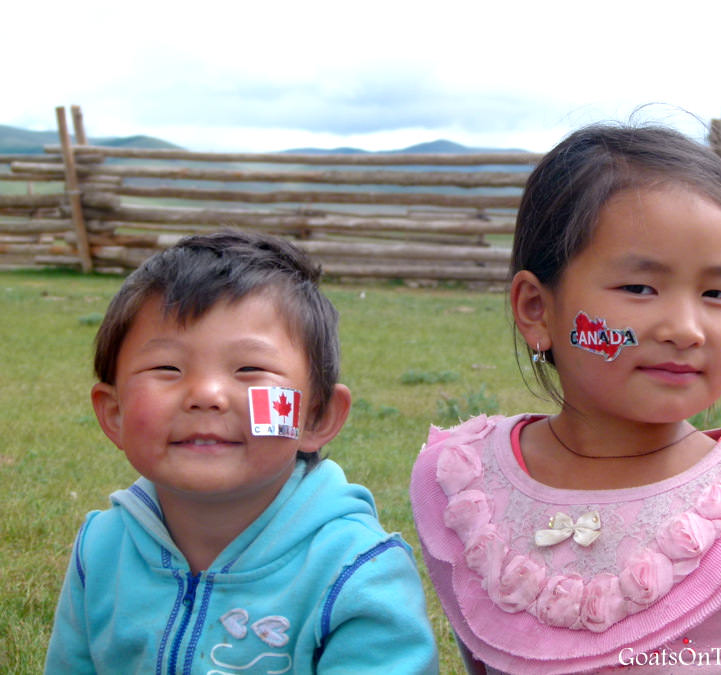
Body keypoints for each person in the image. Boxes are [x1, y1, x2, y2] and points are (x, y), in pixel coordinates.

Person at [410, 125, 721, 674]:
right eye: (640, 288)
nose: (686, 329)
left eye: (717, 293)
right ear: (535, 309)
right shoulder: (466, 489)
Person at [46, 230, 438, 674]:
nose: (207, 394)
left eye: (250, 369)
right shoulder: (100, 550)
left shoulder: (357, 572)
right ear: (113, 414)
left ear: (316, 417)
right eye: (167, 368)